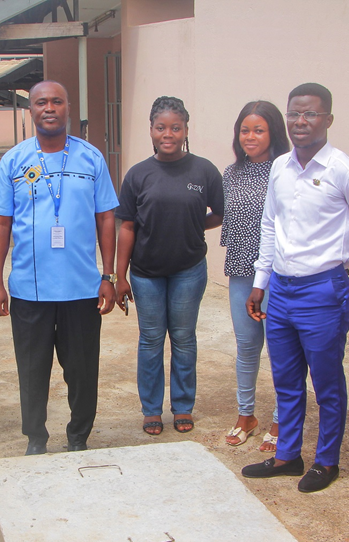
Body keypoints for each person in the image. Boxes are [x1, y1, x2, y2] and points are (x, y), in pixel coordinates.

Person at [241, 83, 349, 492]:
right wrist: (261, 280)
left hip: (323, 292)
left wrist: (346, 260)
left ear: (328, 120)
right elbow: (270, 225)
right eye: (294, 114)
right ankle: (288, 455)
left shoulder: (346, 171)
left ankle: (326, 461)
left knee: (325, 382)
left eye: (310, 114)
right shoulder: (280, 167)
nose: (300, 122)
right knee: (286, 379)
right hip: (281, 292)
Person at [0, 80, 119, 455]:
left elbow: (106, 218)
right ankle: (36, 437)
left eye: (57, 101)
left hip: (81, 287)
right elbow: (0, 223)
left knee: (81, 369)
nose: (49, 108)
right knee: (32, 370)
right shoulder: (14, 161)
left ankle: (79, 435)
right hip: (30, 289)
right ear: (30, 110)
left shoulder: (91, 158)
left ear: (68, 108)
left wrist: (107, 276)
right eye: (41, 102)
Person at [114, 96, 224, 436]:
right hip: (146, 272)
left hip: (188, 270)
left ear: (186, 130)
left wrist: (192, 227)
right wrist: (119, 276)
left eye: (176, 128)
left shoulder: (204, 170)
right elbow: (127, 226)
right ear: (150, 130)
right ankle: (151, 409)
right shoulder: (138, 174)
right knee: (150, 340)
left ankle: (183, 406)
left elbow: (218, 213)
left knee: (183, 338)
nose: (168, 134)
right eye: (161, 127)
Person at [220, 100, 290, 450]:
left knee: (280, 348)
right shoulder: (231, 173)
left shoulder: (287, 170)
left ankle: (282, 420)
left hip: (278, 275)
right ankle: (245, 414)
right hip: (240, 270)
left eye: (258, 130)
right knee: (247, 345)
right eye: (245, 130)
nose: (250, 137)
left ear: (273, 132)